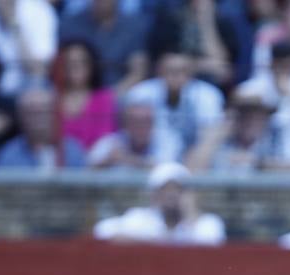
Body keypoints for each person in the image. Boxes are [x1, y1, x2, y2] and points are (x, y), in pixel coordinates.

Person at [93, 161, 226, 244]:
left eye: (178, 188)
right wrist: (152, 241)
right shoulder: (140, 218)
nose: (172, 194)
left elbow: (211, 241)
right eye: (165, 189)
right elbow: (102, 230)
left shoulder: (208, 222)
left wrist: (190, 217)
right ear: (154, 194)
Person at [188, 81, 290, 172]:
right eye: (245, 114)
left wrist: (256, 162)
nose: (251, 121)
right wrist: (218, 134)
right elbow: (191, 170)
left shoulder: (276, 139)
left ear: (266, 118)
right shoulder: (222, 142)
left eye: (258, 115)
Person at [126, 50, 226, 156]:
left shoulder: (207, 95)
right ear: (159, 72)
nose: (175, 76)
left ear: (191, 74)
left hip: (195, 155)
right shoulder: (141, 93)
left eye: (181, 71)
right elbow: (130, 130)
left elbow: (210, 135)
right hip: (150, 155)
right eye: (169, 71)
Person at [58, 0, 150, 91]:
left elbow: (138, 72)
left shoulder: (134, 26)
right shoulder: (71, 24)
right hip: (80, 92)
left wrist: (110, 97)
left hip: (120, 91)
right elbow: (62, 67)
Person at [0, 87, 87, 168]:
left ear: (54, 115)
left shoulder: (73, 151)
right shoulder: (8, 155)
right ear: (21, 117)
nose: (38, 119)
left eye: (43, 112)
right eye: (31, 113)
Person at [53, 40, 117, 153]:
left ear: (92, 65)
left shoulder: (104, 98)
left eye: (82, 62)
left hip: (97, 164)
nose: (76, 67)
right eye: (69, 63)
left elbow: (105, 139)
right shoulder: (52, 98)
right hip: (60, 164)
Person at [87, 97, 182, 169]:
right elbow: (89, 169)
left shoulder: (168, 140)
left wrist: (125, 158)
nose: (141, 127)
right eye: (135, 122)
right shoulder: (110, 142)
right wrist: (107, 160)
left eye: (145, 121)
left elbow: (165, 169)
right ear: (125, 124)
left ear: (153, 123)